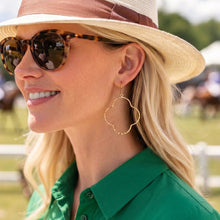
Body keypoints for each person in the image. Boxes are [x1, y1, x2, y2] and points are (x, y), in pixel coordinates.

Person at [0, 0, 219, 219]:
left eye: (49, 46)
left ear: (127, 64)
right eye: (15, 50)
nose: (21, 70)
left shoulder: (182, 214)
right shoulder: (44, 202)